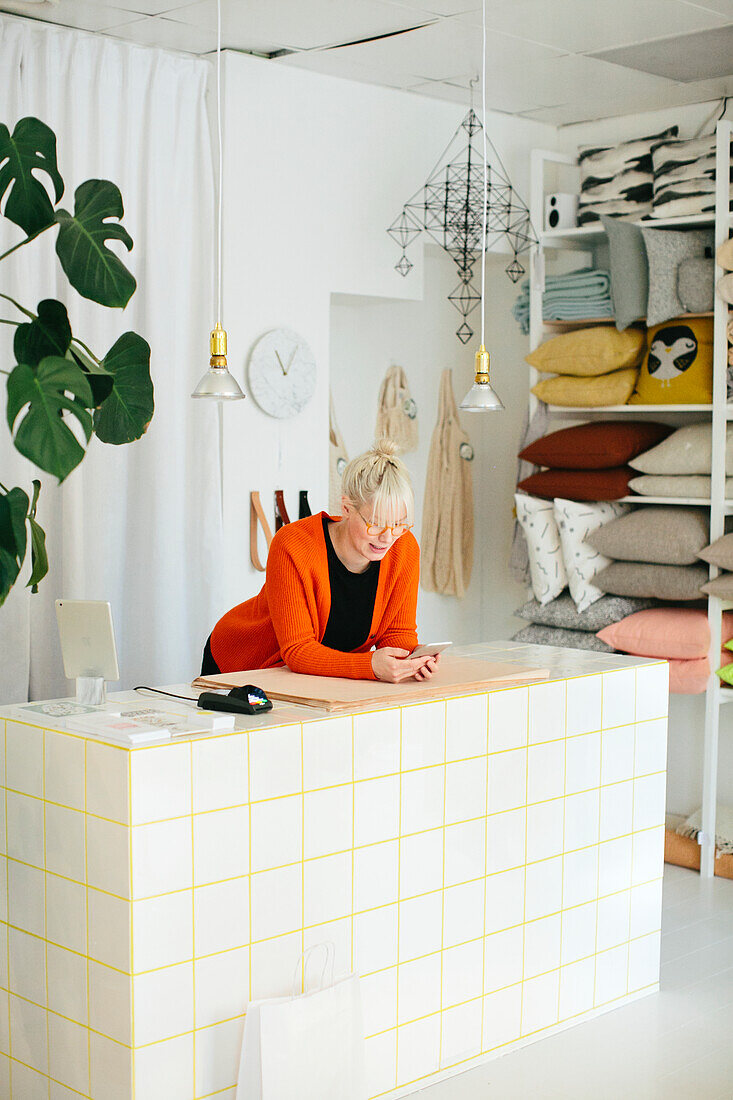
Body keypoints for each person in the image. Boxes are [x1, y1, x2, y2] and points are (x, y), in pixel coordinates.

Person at [201, 440, 439, 684]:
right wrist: (370, 665)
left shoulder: (404, 547)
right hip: (244, 663)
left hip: (311, 677)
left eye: (398, 524)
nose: (387, 537)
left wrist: (410, 660)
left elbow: (396, 634)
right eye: (375, 523)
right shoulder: (293, 544)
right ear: (347, 508)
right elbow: (298, 650)